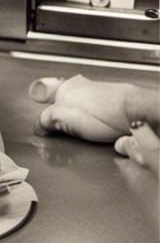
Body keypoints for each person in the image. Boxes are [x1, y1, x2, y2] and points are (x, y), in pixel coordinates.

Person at [29, 74, 160, 174]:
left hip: (123, 111)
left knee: (130, 107)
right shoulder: (77, 86)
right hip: (126, 108)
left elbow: (46, 121)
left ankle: (134, 142)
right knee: (130, 105)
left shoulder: (76, 88)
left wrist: (47, 118)